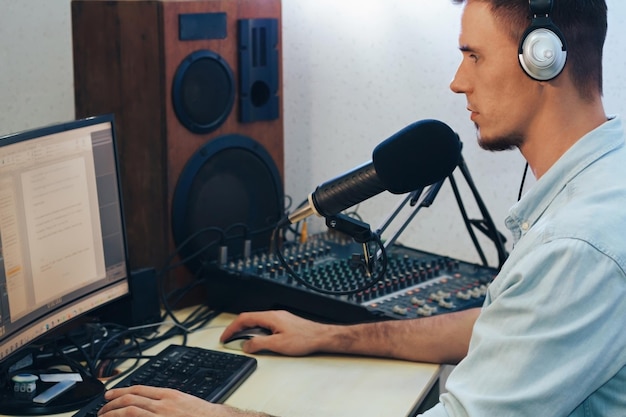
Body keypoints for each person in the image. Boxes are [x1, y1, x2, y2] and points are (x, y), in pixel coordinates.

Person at [98, 0, 626, 416]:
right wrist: (331, 336)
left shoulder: (578, 245)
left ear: (543, 58)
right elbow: (503, 329)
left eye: (473, 55)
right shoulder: (605, 178)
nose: (458, 80)